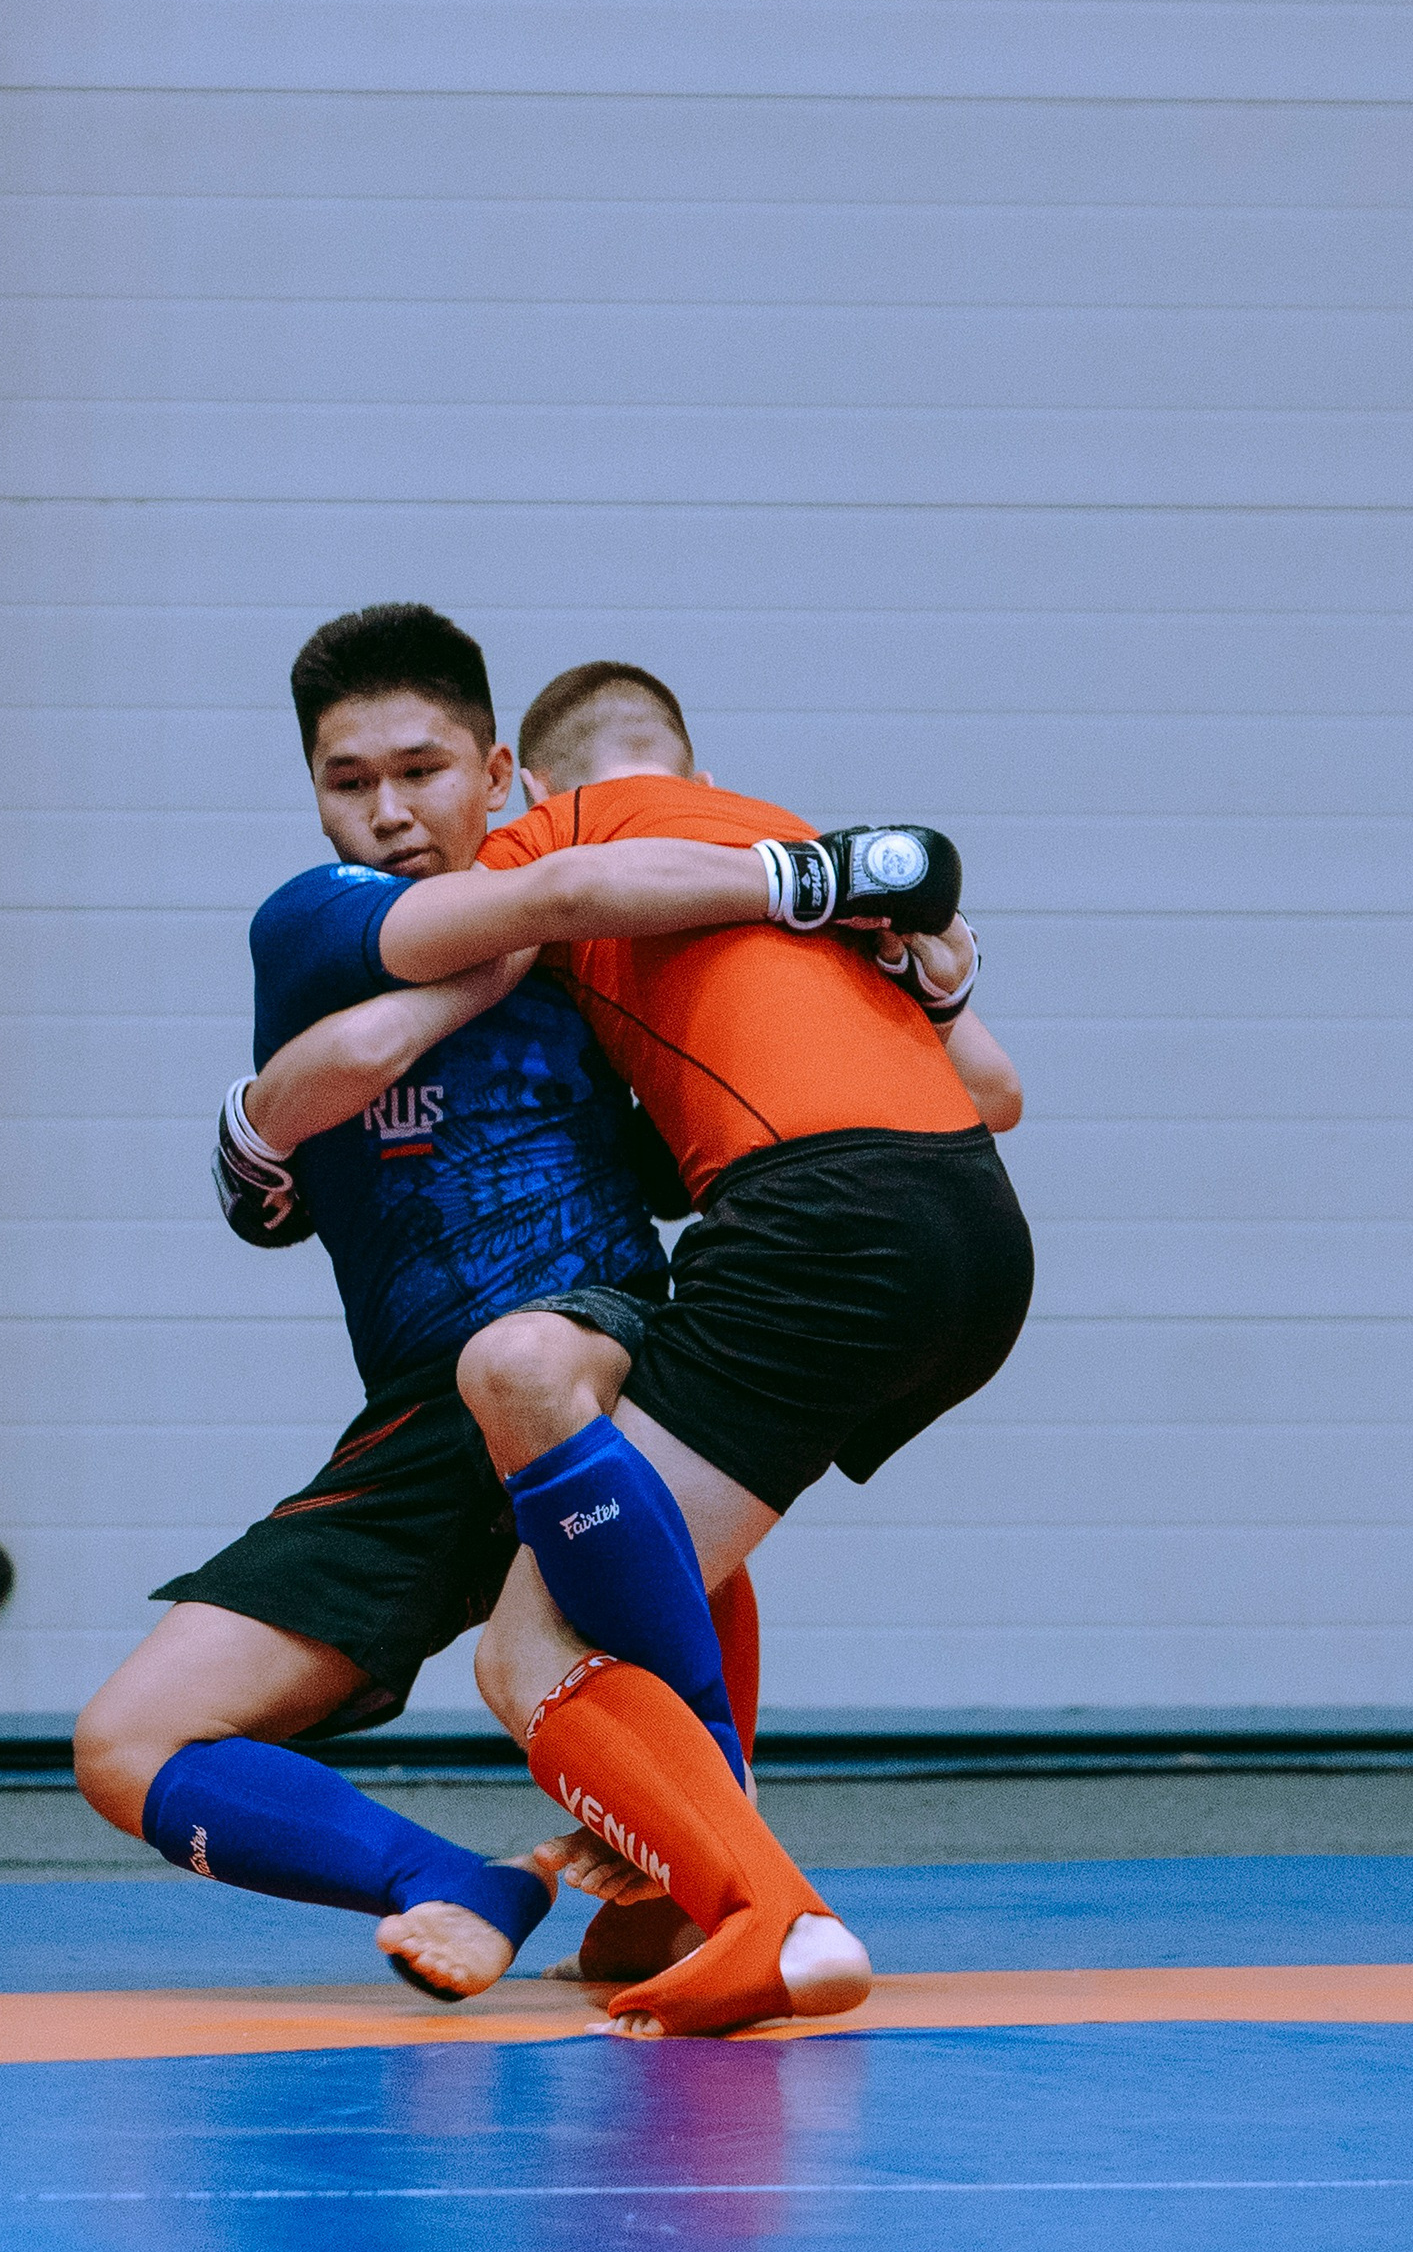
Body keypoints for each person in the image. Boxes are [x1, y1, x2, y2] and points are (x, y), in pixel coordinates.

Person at [224, 656, 1030, 2040]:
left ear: (523, 786)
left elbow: (548, 901)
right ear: (702, 774)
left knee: (528, 1645)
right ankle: (683, 1879)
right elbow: (1000, 1093)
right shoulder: (780, 841)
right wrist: (903, 954)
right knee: (654, 1544)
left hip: (818, 1226)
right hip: (974, 1241)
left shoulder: (571, 842)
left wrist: (252, 1139)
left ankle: (764, 1907)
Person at [71, 607, 851, 1998]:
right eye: (347, 780)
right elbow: (373, 1040)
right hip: (418, 1425)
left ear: (499, 775)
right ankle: (453, 1878)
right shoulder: (321, 920)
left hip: (591, 1343)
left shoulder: (615, 958)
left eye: (422, 771)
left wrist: (919, 963)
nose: (386, 811)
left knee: (533, 1363)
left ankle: (709, 1837)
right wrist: (532, 949)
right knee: (122, 1741)